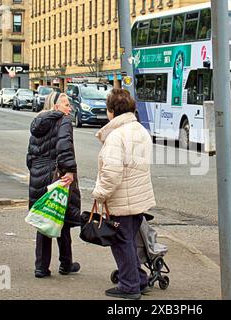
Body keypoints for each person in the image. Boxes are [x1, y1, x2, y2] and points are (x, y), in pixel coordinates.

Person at [92, 88, 156, 300]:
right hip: (139, 198)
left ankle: (129, 286)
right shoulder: (139, 130)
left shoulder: (116, 136)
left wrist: (99, 194)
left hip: (122, 199)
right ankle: (139, 280)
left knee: (121, 242)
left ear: (111, 111)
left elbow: (111, 173)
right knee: (128, 240)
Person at [26, 91, 82, 278]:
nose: (69, 108)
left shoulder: (37, 121)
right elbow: (64, 147)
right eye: (66, 104)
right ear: (56, 106)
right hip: (57, 175)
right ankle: (66, 263)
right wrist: (69, 171)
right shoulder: (63, 120)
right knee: (62, 219)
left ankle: (41, 267)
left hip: (38, 175)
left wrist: (35, 171)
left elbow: (30, 154)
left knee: (44, 219)